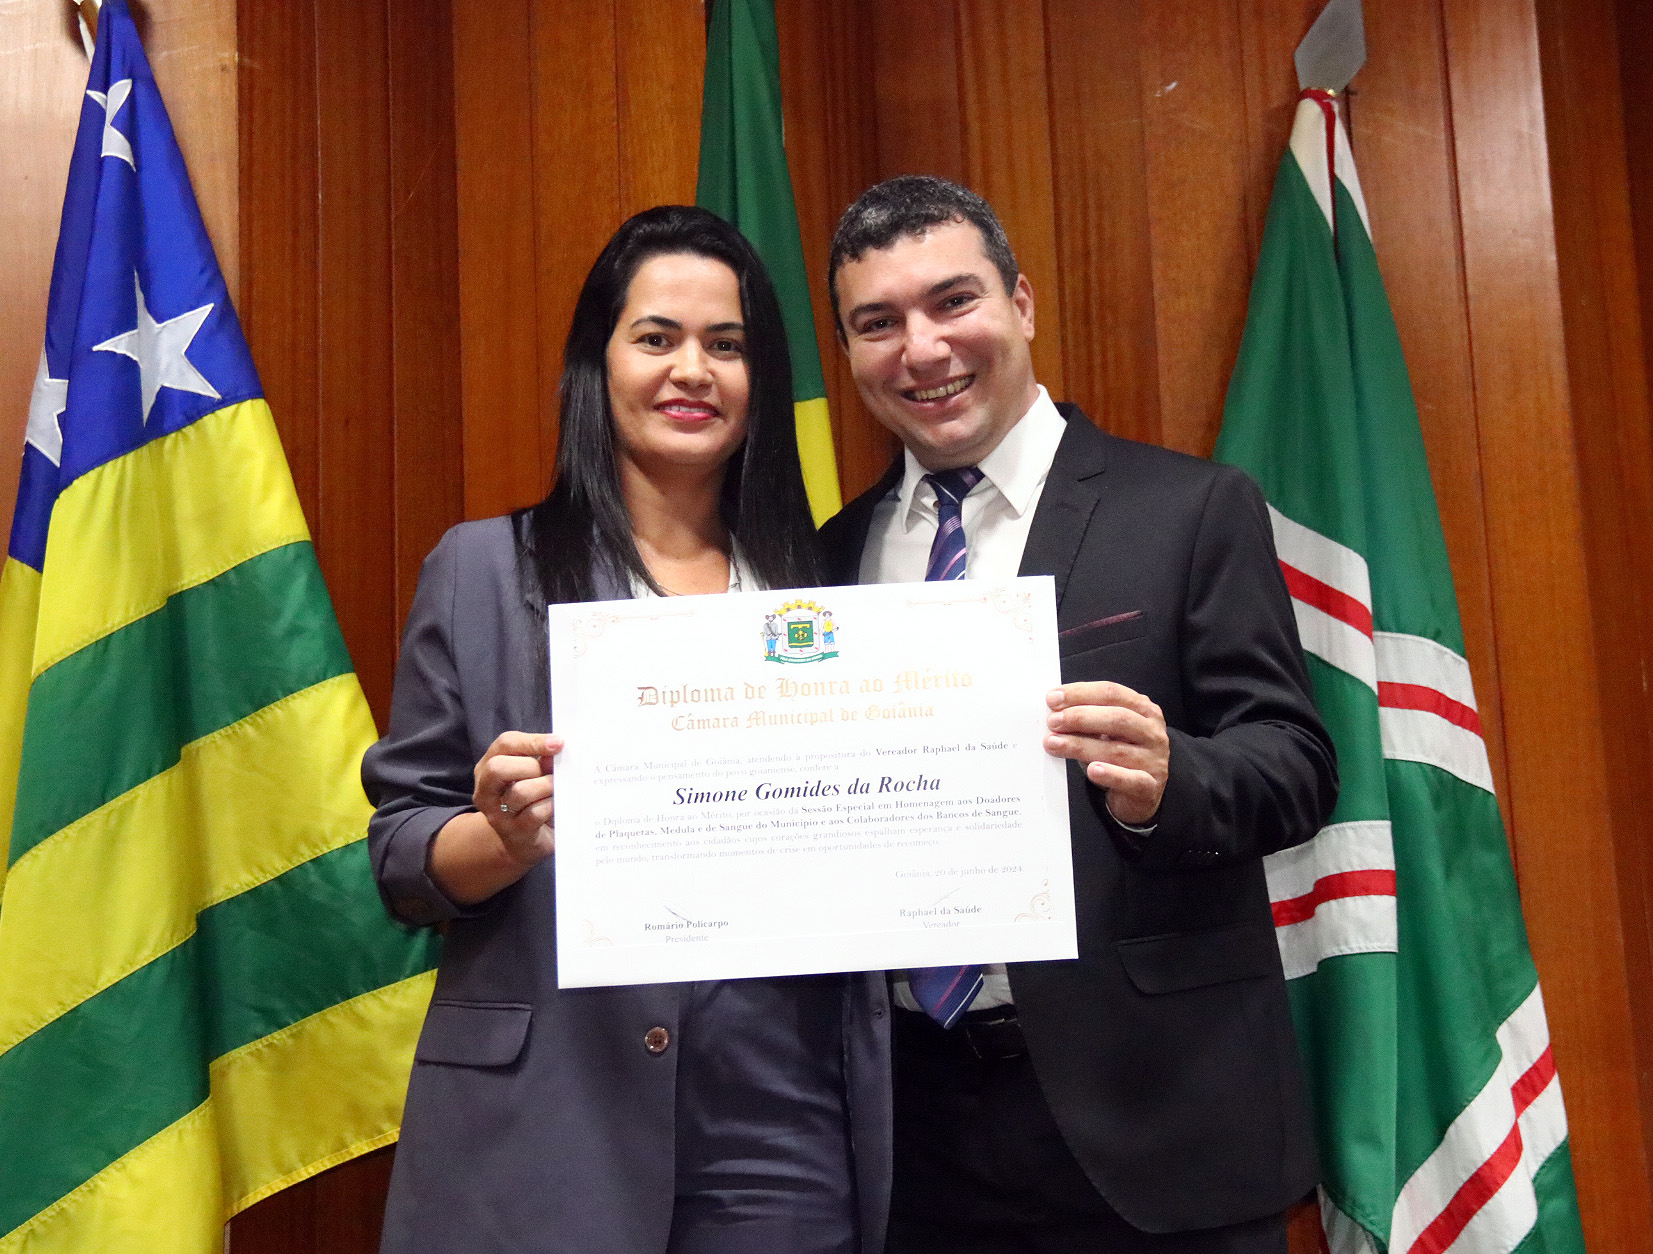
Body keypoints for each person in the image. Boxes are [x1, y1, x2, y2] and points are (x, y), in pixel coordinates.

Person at [818, 175, 1338, 1254]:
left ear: (1021, 304)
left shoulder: (1188, 509)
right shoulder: (822, 561)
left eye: (953, 301)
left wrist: (1170, 779)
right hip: (913, 1139)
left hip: (1159, 1118)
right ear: (850, 351)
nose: (922, 349)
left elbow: (1295, 763)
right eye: (878, 323)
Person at [363, 205, 890, 1254]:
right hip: (551, 1104)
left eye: (727, 345)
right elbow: (400, 858)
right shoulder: (483, 569)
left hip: (781, 1106)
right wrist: (502, 838)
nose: (692, 370)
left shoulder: (833, 589)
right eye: (656, 338)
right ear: (596, 364)